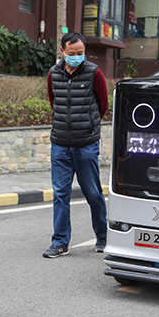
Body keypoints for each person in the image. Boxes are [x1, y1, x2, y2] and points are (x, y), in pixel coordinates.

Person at [43, 32, 109, 258]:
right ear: (62, 51)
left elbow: (103, 105)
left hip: (85, 144)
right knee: (60, 194)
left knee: (92, 192)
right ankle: (60, 242)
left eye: (80, 53)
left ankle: (103, 235)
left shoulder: (94, 73)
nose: (76, 57)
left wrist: (87, 127)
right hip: (60, 144)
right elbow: (54, 102)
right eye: (72, 54)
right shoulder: (53, 73)